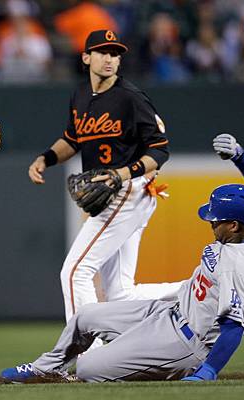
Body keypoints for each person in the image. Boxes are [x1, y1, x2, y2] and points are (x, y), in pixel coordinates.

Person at [5, 133, 244, 382]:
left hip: (187, 342)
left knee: (88, 369)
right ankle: (45, 367)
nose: (211, 223)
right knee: (85, 317)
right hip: (171, 311)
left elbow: (233, 328)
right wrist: (239, 155)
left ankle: (170, 365)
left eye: (216, 220)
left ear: (235, 225)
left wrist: (208, 371)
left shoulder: (237, 265)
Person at [28, 29, 179, 324]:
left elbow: (160, 150)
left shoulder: (131, 98)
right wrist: (45, 158)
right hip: (114, 191)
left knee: (74, 272)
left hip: (129, 190)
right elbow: (73, 139)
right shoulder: (80, 94)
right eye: (103, 52)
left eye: (115, 54)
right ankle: (198, 289)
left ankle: (82, 351)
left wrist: (122, 174)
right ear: (86, 57)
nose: (110, 59)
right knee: (120, 293)